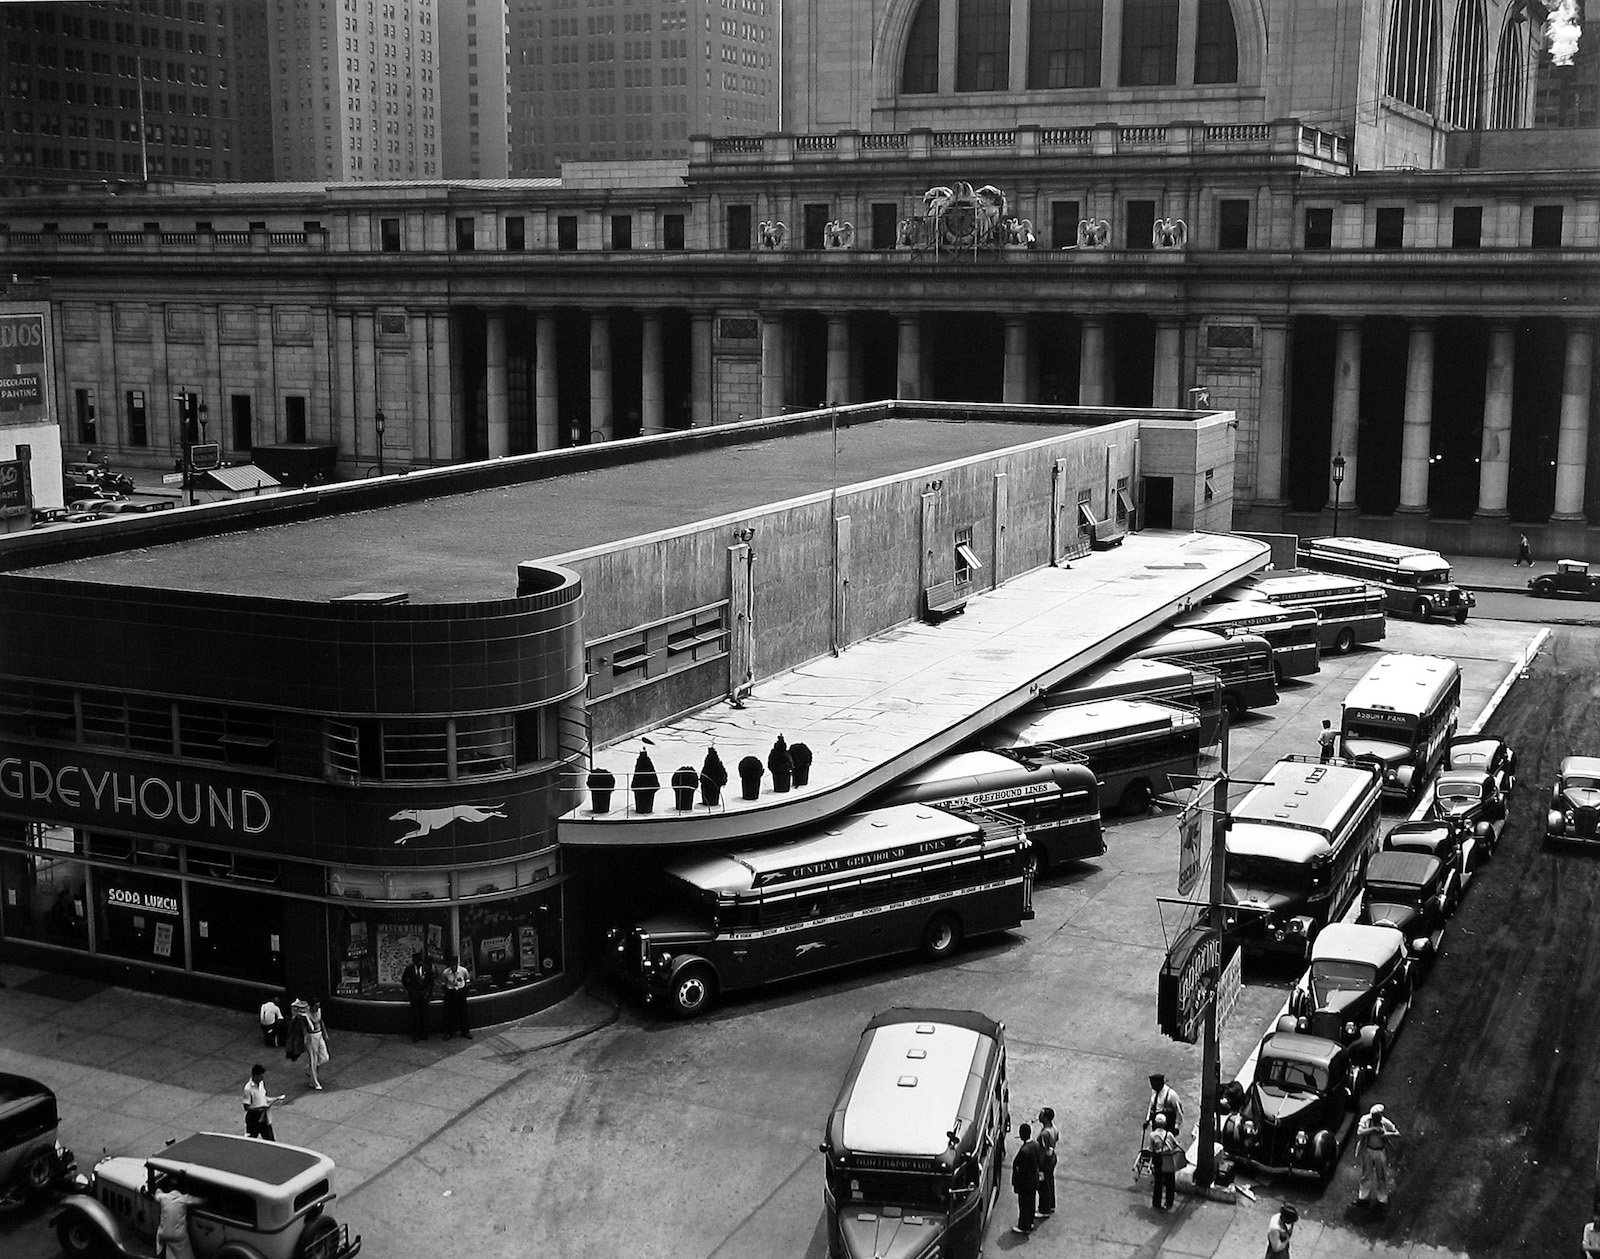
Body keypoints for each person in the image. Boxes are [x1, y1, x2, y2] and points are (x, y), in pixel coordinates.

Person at [1355, 1103, 1400, 1208]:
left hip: (1380, 1151)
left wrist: (1386, 1134)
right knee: (1366, 1174)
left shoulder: (1385, 1122)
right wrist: (1372, 1130)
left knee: (1381, 1175)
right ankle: (1363, 1197)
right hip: (1368, 1149)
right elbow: (1360, 1132)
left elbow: (1397, 1133)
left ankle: (1382, 1199)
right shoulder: (1366, 1119)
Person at [153, 1172, 204, 1259]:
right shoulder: (183, 1199)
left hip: (163, 1233)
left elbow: (157, 1193)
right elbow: (201, 1201)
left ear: (169, 1188)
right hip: (178, 1235)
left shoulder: (163, 1197)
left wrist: (159, 1187)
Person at [1011, 1121, 1041, 1234]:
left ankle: (1024, 1226)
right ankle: (1030, 1221)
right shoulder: (1036, 1145)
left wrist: (1016, 1183)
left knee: (1024, 1204)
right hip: (1034, 1180)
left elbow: (1020, 1170)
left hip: (1025, 1183)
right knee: (1031, 1202)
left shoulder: (1024, 1151)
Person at [1147, 1113, 1181, 1211]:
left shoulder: (1153, 1135)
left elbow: (1151, 1148)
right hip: (1168, 1158)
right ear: (1165, 1124)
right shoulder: (1169, 1134)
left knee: (1158, 1180)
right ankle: (1169, 1202)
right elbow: (1176, 1145)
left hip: (1158, 1158)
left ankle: (1156, 1202)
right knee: (1170, 1180)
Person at [241, 1064, 284, 1141]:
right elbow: (246, 1107)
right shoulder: (247, 1089)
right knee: (250, 1141)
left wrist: (274, 1099)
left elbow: (263, 1098)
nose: (262, 1078)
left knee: (271, 1142)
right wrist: (259, 1109)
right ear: (255, 1075)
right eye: (261, 1076)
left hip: (264, 1118)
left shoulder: (261, 1084)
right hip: (253, 1120)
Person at [401, 950, 434, 1043]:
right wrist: (410, 990)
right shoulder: (409, 969)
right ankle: (416, 1034)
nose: (419, 962)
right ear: (414, 961)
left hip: (424, 995)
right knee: (416, 1015)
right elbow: (404, 980)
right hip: (414, 995)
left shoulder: (426, 968)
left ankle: (424, 1034)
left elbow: (431, 981)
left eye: (420, 960)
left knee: (424, 1014)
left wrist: (427, 992)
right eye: (417, 960)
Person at [1035, 1107, 1059, 1220]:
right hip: (1052, 1159)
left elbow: (1043, 1151)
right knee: (1050, 1182)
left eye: (1041, 1114)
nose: (1039, 1115)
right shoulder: (1054, 1129)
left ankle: (1044, 1209)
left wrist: (1038, 1165)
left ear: (1045, 1118)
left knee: (1043, 1185)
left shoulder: (1045, 1134)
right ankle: (1051, 1204)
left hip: (1045, 1162)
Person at [440, 953, 472, 1040]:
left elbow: (468, 981)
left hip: (461, 993)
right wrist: (447, 992)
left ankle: (465, 1031)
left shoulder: (463, 971)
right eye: (452, 964)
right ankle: (449, 1032)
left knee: (463, 1013)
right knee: (450, 1014)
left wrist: (464, 990)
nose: (454, 966)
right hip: (451, 994)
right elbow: (443, 984)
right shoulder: (446, 973)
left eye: (455, 964)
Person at [300, 999, 329, 1090]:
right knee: (313, 1059)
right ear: (310, 1006)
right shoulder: (306, 1015)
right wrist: (305, 1039)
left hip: (319, 1034)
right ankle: (314, 1082)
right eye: (315, 1006)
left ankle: (310, 1069)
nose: (317, 1008)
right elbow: (305, 1028)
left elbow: (321, 1021)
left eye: (318, 1006)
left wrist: (325, 1033)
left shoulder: (319, 1011)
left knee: (325, 1057)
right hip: (311, 1037)